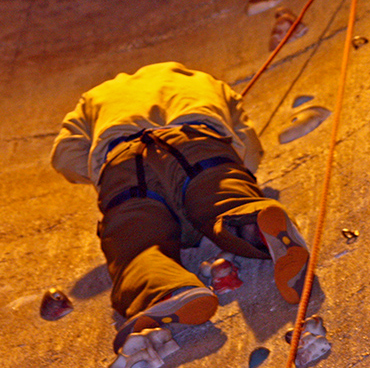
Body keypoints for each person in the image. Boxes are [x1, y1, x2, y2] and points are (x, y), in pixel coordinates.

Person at [51, 62, 309, 353]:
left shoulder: (95, 97)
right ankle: (250, 220)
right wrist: (240, 166)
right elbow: (248, 143)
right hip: (199, 143)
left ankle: (169, 289)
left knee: (137, 245)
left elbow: (65, 156)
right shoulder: (207, 81)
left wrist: (101, 175)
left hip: (126, 163)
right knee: (223, 197)